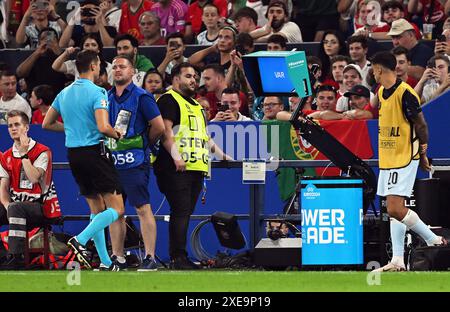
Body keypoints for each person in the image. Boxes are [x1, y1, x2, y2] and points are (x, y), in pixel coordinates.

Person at [42, 50, 125, 271]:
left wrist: (70, 129)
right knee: (117, 208)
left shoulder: (64, 93)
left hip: (74, 155)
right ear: (94, 66)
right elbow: (103, 127)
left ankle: (106, 263)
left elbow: (46, 124)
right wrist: (117, 133)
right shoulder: (98, 92)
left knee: (97, 210)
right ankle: (80, 239)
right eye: (99, 65)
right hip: (94, 153)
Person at [370, 51, 447, 272]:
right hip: (388, 156)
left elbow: (421, 124)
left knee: (394, 209)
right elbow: (376, 107)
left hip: (404, 156)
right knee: (396, 208)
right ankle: (397, 260)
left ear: (379, 69)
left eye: (373, 68)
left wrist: (423, 152)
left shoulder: (405, 93)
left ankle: (433, 239)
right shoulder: (383, 91)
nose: (372, 73)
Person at [154, 62, 231, 269]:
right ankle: (178, 258)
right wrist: (177, 156)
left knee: (185, 212)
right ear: (176, 78)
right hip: (175, 167)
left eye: (195, 77)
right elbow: (165, 132)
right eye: (188, 76)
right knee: (180, 210)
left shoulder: (197, 105)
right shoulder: (169, 99)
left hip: (195, 167)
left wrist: (222, 155)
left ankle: (179, 256)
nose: (193, 80)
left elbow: (204, 136)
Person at [107, 54, 165, 270]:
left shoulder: (142, 96)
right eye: (114, 67)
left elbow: (159, 126)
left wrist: (144, 145)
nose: (117, 70)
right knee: (116, 211)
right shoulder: (107, 97)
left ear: (133, 72)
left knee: (142, 207)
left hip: (135, 162)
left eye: (122, 66)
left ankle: (150, 257)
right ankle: (118, 257)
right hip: (113, 163)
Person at [0, 110, 61, 269]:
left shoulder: (42, 151)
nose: (13, 128)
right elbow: (3, 189)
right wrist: (7, 207)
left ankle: (17, 258)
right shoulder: (6, 156)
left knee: (16, 208)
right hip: (16, 208)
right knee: (13, 207)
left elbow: (34, 177)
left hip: (41, 208)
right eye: (10, 126)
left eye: (17, 125)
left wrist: (23, 154)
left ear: (26, 127)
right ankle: (2, 257)